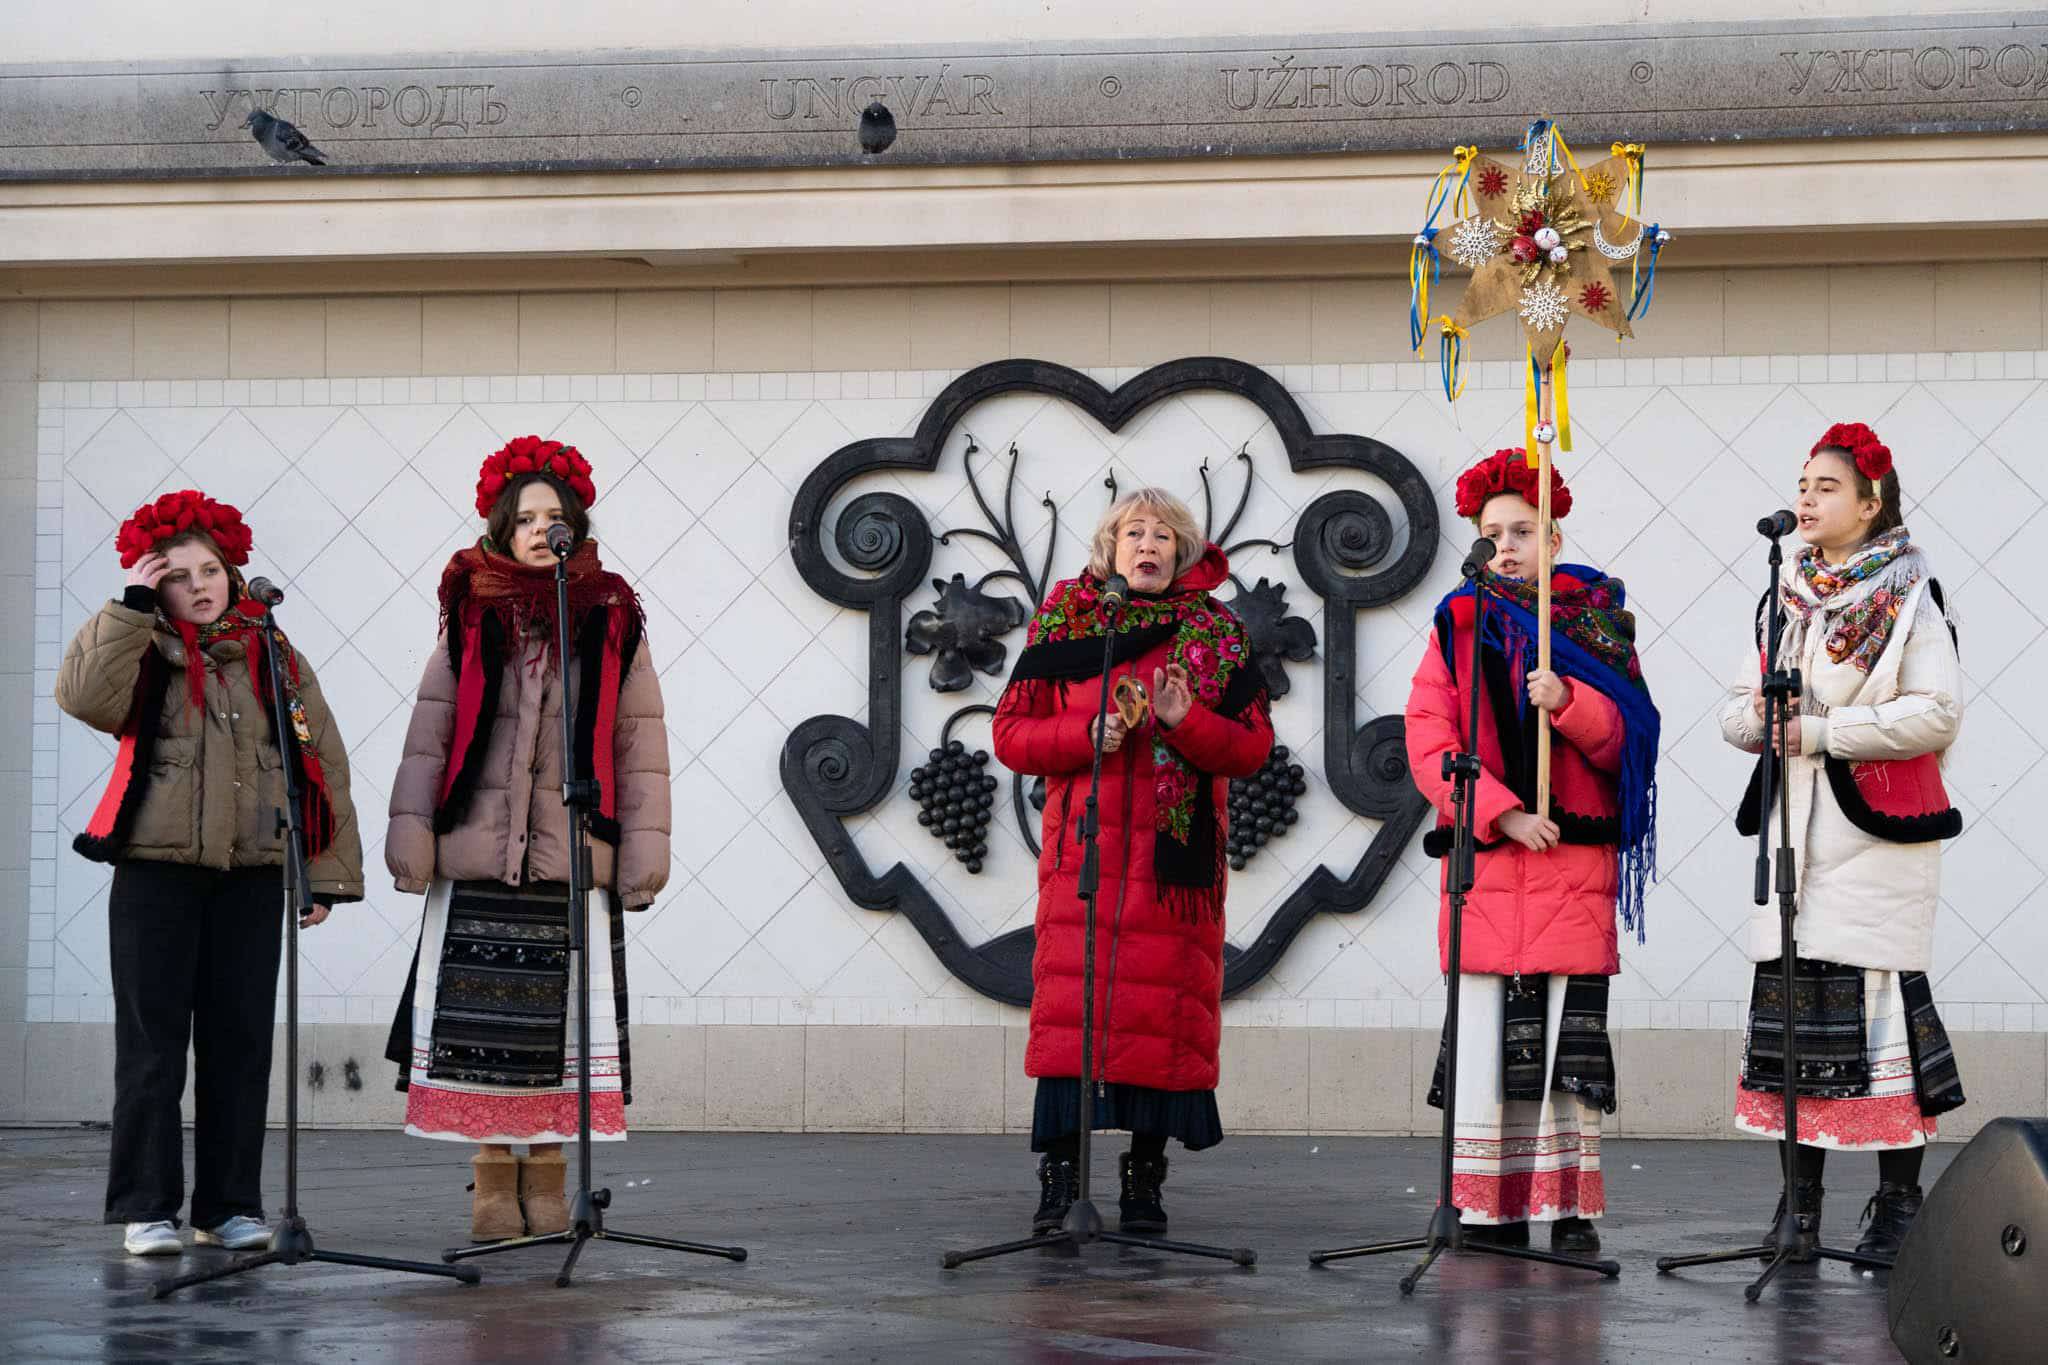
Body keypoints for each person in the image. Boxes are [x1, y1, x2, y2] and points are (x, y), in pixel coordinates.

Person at [56, 490, 362, 1257]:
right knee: (153, 1047)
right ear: (156, 587)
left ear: (232, 571)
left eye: (211, 570)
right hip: (156, 875)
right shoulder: (143, 646)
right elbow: (82, 696)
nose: (201, 585)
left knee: (239, 1044)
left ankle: (225, 1205)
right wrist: (129, 606)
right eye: (179, 575)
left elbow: (319, 758)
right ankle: (147, 1206)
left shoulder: (274, 652)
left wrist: (320, 873)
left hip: (252, 875)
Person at [383, 436, 670, 1244]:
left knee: (562, 1034)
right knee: (484, 1039)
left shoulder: (614, 619)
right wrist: (413, 841)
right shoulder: (469, 616)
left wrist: (641, 858)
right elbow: (429, 736)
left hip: (571, 859)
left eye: (557, 516)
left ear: (577, 525)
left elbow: (639, 746)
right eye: (527, 517)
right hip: (479, 854)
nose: (543, 529)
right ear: (502, 528)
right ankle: (490, 1178)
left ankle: (549, 1177)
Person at [992, 487, 1273, 1237]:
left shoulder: (1215, 632)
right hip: (1080, 858)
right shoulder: (1069, 619)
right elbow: (1013, 735)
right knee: (1069, 1021)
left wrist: (1186, 722)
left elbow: (1250, 750)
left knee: (1161, 1019)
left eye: (1162, 535)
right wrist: (1089, 733)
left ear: (1181, 554)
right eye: (1133, 533)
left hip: (1171, 870)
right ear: (1111, 549)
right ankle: (1060, 1180)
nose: (1147, 545)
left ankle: (1145, 1180)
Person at [1402, 449, 1660, 1256]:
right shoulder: (1458, 622)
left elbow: (1633, 742)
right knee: (1486, 1041)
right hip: (1489, 862)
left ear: (1554, 537)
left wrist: (1571, 700)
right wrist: (1501, 814)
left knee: (1561, 1046)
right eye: (1492, 533)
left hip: (1572, 865)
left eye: (1522, 531)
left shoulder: (1598, 625)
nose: (1506, 546)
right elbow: (1428, 737)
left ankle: (1570, 1207)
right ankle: (1490, 1204)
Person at [1718, 421, 1965, 1260]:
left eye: (1827, 487)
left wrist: (1825, 729)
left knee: (1882, 1026)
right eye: (1803, 484)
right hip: (1796, 842)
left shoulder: (1910, 597)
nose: (1808, 498)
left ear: (1871, 503)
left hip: (1876, 840)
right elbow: (1735, 708)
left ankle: (1897, 1207)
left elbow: (1936, 712)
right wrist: (1761, 717)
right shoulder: (1787, 598)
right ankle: (1801, 1210)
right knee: (1795, 1037)